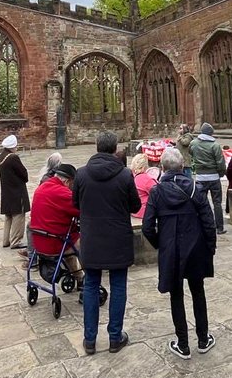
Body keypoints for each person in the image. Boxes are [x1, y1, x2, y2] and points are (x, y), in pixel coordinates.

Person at [143, 147, 216, 360]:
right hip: (195, 246)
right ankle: (203, 339)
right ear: (182, 166)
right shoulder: (195, 187)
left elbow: (148, 226)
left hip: (171, 248)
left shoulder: (157, 192)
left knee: (176, 294)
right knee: (197, 291)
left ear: (162, 167)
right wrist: (210, 247)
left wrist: (161, 245)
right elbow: (208, 222)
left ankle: (183, 343)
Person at [74, 131, 141, 355]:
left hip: (92, 239)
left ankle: (90, 339)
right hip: (117, 239)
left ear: (96, 147)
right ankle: (114, 337)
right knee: (118, 285)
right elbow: (134, 206)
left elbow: (76, 203)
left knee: (91, 285)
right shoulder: (124, 175)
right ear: (115, 149)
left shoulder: (81, 175)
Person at [30, 162, 84, 291]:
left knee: (70, 243)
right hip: (54, 243)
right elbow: (81, 210)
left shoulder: (41, 188)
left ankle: (79, 277)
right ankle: (91, 280)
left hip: (38, 241)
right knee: (86, 244)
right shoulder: (62, 193)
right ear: (68, 181)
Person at [190, 123, 227, 235]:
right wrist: (221, 173)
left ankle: (202, 225)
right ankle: (219, 227)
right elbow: (220, 162)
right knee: (217, 202)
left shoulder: (194, 143)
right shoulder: (215, 145)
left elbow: (190, 153)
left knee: (201, 202)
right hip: (214, 177)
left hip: (201, 177)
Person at [0, 135, 30, 249]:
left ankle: (6, 240)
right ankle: (16, 241)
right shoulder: (13, 157)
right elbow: (23, 173)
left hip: (7, 191)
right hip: (17, 191)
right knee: (18, 215)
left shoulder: (1, 156)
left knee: (9, 216)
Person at [130, 153, 160, 219]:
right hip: (145, 211)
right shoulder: (145, 179)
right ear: (144, 167)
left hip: (134, 210)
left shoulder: (131, 176)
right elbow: (158, 193)